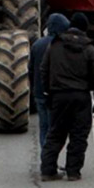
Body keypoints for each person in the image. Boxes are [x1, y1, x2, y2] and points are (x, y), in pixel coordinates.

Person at [39, 14, 94, 182]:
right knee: (79, 135)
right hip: (81, 97)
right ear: (85, 29)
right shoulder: (90, 50)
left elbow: (44, 70)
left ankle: (48, 170)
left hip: (59, 96)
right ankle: (73, 171)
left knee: (55, 134)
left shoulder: (55, 46)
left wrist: (46, 92)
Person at [29, 13, 71, 150]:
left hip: (40, 93)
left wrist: (34, 88)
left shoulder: (37, 45)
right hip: (56, 94)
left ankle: (45, 157)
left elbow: (31, 70)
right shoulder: (62, 45)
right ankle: (51, 160)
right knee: (56, 129)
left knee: (44, 127)